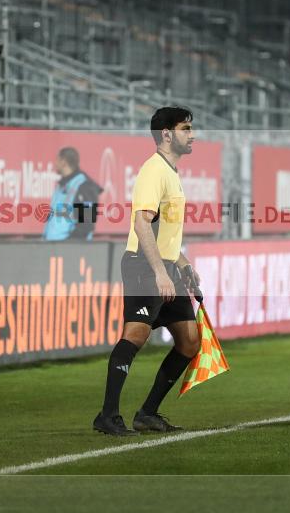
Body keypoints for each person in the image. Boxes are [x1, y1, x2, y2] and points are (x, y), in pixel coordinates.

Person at [93, 106, 201, 436]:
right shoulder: (154, 171)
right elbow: (141, 224)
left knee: (190, 341)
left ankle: (147, 413)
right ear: (166, 134)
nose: (192, 134)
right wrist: (160, 272)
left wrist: (182, 264)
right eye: (185, 128)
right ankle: (107, 415)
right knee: (136, 336)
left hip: (164, 266)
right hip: (145, 265)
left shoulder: (170, 172)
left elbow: (163, 230)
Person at [43, 147, 103, 241]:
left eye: (57, 160)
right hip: (53, 248)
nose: (55, 164)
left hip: (70, 250)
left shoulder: (84, 187)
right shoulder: (61, 186)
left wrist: (70, 245)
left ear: (64, 162)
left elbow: (86, 223)